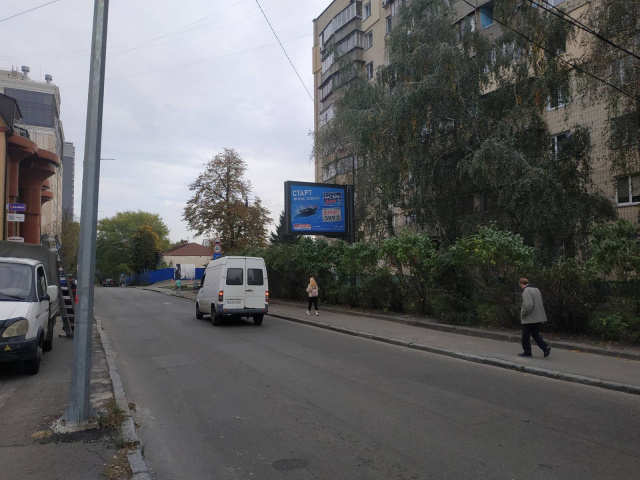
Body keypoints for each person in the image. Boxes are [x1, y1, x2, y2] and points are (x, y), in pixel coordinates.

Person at [518, 277, 551, 358]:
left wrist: (522, 314)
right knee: (535, 334)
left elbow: (528, 305)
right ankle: (545, 347)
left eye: (520, 285)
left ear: (521, 284)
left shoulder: (526, 290)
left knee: (525, 335)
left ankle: (527, 352)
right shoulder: (536, 289)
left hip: (529, 317)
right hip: (538, 316)